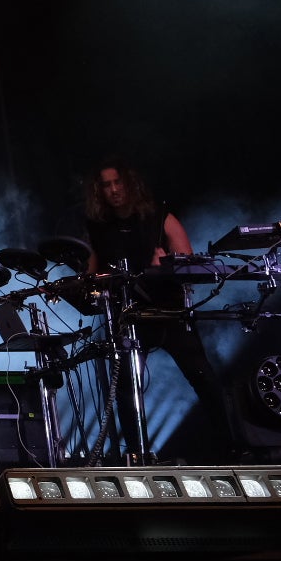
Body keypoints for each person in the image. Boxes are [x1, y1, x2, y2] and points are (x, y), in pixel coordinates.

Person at [82, 159, 232, 462]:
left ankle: (232, 445)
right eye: (106, 185)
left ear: (129, 183)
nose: (113, 190)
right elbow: (90, 276)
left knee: (202, 377)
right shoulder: (98, 229)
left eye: (117, 183)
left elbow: (190, 262)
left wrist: (165, 265)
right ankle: (136, 455)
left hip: (170, 312)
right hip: (129, 316)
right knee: (125, 386)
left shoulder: (159, 216)